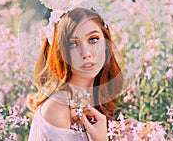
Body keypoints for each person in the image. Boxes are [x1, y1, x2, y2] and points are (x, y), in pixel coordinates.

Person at [28, 7, 124, 140]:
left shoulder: (100, 97)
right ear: (60, 53)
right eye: (72, 44)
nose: (86, 53)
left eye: (93, 40)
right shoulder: (57, 109)